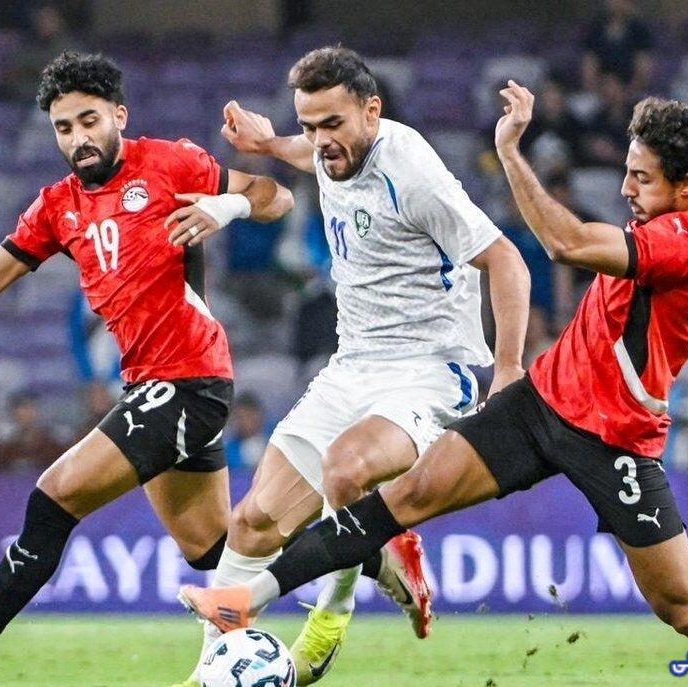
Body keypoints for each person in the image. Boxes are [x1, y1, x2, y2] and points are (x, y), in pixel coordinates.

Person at [180, 85, 688, 687]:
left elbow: (566, 244)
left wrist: (510, 152)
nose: (626, 190)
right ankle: (243, 599)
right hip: (542, 401)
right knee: (405, 496)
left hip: (615, 438)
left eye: (641, 179)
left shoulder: (685, 239)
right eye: (627, 172)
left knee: (686, 610)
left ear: (687, 185)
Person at [0, 51, 295, 687]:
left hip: (190, 379)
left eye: (89, 121)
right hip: (148, 384)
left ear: (119, 116)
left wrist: (229, 207)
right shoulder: (57, 206)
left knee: (53, 497)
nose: (78, 138)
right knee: (211, 548)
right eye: (63, 128)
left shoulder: (170, 163)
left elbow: (277, 197)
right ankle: (357, 545)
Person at [181, 46, 530, 686]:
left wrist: (507, 370)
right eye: (309, 124)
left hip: (427, 372)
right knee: (252, 523)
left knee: (345, 470)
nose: (320, 141)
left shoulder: (411, 171)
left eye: (332, 124)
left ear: (372, 111)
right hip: (352, 366)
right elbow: (309, 153)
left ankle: (329, 620)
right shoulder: (329, 148)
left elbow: (506, 260)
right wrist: (269, 144)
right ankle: (210, 673)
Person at [581, 0, 654, 95]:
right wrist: (603, 90)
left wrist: (625, 92)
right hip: (600, 92)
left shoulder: (640, 31)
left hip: (631, 92)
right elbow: (589, 69)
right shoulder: (595, 29)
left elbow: (643, 70)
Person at [0, 391, 68, 472]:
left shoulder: (53, 445)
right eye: (21, 410)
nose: (27, 414)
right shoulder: (7, 448)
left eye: (30, 409)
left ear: (39, 412)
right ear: (13, 414)